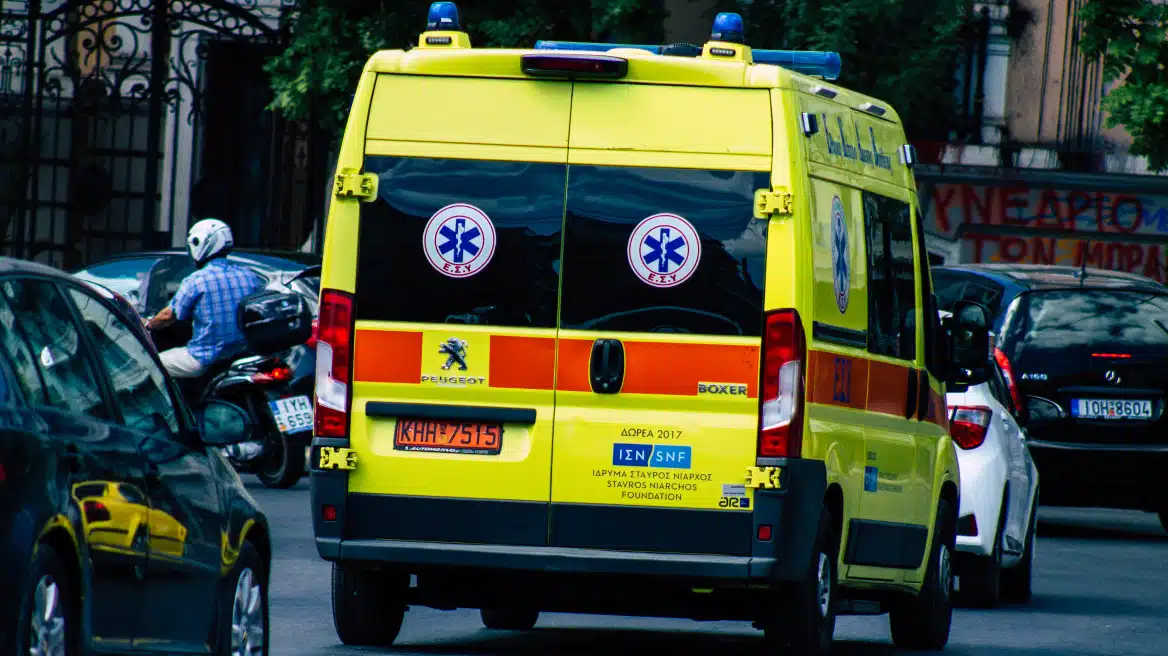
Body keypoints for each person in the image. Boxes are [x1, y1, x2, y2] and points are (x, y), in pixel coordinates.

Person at [144, 218, 264, 379]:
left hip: (205, 358)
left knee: (149, 364)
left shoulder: (197, 280)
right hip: (239, 354)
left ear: (199, 243)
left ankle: (169, 397)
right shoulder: (248, 275)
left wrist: (149, 324)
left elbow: (167, 316)